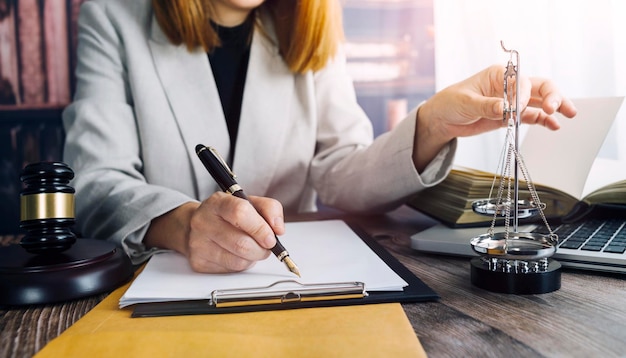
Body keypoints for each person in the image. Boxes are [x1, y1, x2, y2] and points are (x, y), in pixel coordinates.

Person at [62, 0, 577, 274]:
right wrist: (183, 224)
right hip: (159, 292)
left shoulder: (305, 25)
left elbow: (341, 172)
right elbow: (95, 180)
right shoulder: (111, 17)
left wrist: (434, 123)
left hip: (283, 292)